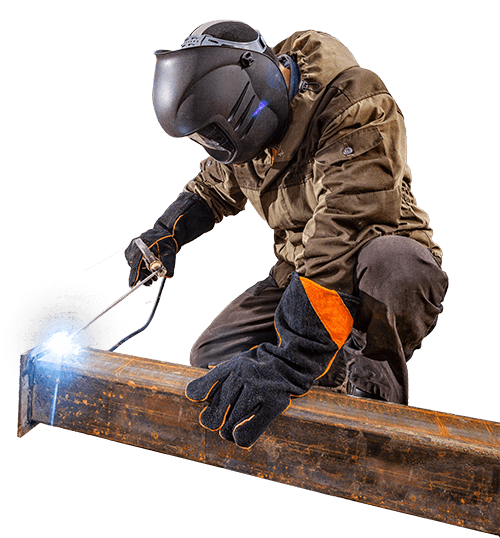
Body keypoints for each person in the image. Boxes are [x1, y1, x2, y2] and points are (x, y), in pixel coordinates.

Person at [125, 20, 449, 449]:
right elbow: (213, 186)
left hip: (370, 261)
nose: (213, 145)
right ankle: (317, 363)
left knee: (394, 267)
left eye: (214, 133)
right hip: (300, 267)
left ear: (241, 98)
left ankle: (368, 389)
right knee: (211, 359)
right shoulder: (248, 127)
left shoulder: (354, 102)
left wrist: (289, 360)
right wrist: (166, 233)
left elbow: (345, 229)